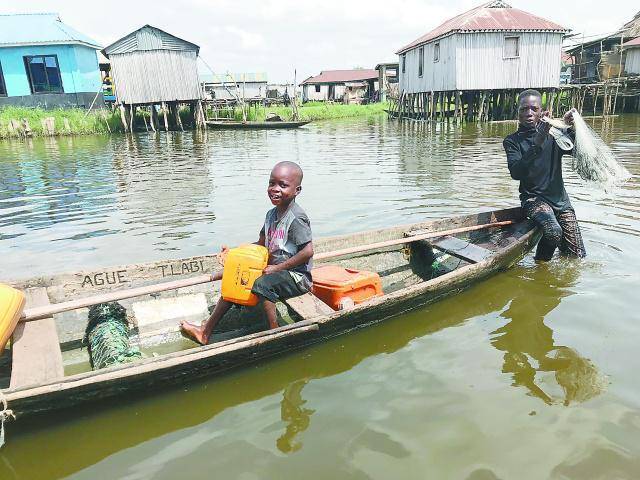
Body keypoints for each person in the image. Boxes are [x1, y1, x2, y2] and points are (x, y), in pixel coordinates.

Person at [180, 161, 314, 345]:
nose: (275, 189)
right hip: (272, 270)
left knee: (262, 284)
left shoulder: (296, 218)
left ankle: (274, 333)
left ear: (297, 190)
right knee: (233, 280)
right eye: (271, 183)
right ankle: (204, 332)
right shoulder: (270, 215)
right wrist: (234, 254)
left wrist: (277, 268)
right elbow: (260, 244)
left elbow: (307, 251)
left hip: (296, 276)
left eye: (283, 185)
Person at [503, 89, 586, 261]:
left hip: (561, 201)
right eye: (524, 109)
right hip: (533, 200)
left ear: (542, 111)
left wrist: (572, 125)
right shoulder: (512, 141)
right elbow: (516, 173)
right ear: (517, 112)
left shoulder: (555, 134)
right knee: (553, 231)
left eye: (534, 108)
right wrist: (537, 143)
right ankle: (540, 266)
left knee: (577, 257)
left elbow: (579, 150)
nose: (529, 113)